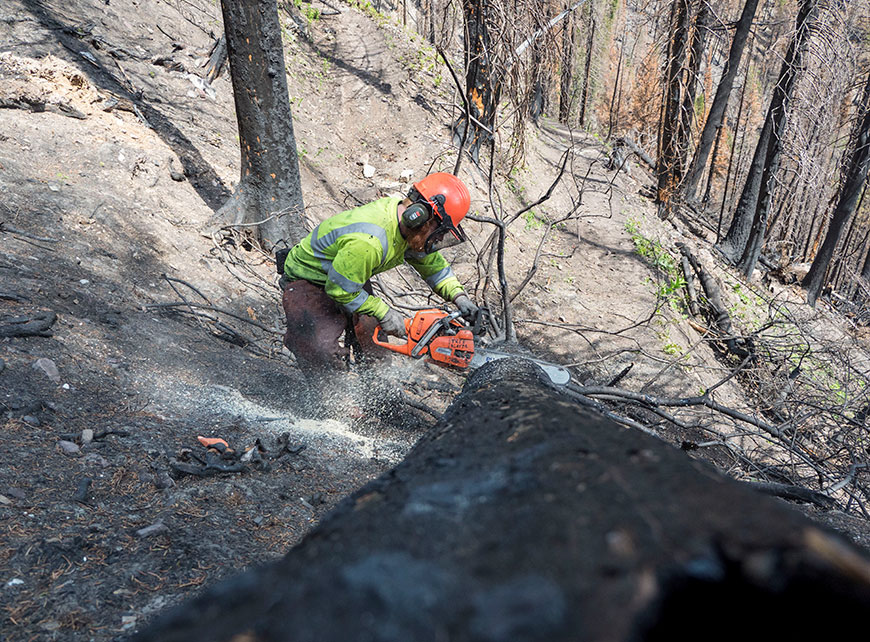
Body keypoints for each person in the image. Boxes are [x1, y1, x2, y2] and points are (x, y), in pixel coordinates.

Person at [279, 172, 480, 375]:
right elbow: (339, 289)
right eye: (441, 232)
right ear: (423, 218)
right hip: (309, 280)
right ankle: (334, 403)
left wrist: (459, 296)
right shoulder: (370, 241)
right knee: (319, 348)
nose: (439, 239)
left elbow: (432, 265)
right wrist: (384, 311)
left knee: (373, 339)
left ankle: (380, 393)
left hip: (350, 275)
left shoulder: (408, 228)